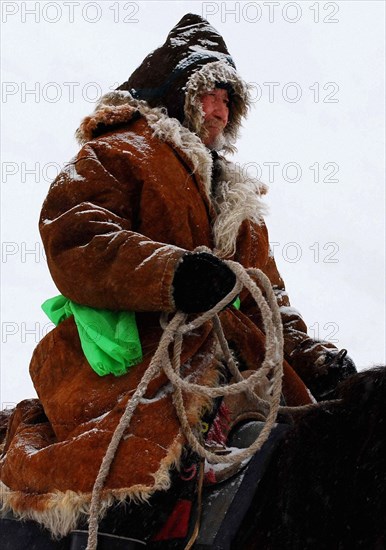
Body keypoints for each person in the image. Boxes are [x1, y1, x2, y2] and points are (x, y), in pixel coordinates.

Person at [0, 12, 355, 545]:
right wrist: (174, 273)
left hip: (241, 370)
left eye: (229, 100)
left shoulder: (241, 205)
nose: (219, 108)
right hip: (142, 362)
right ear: (175, 92)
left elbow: (271, 307)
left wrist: (313, 359)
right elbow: (76, 235)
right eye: (209, 91)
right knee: (140, 479)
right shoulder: (123, 150)